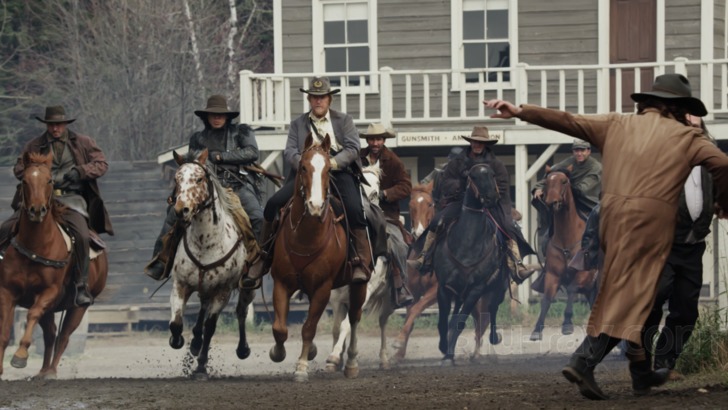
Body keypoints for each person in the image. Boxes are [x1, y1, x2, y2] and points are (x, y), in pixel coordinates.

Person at [484, 73, 728, 400]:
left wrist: (519, 111)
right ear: (678, 107)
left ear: (647, 103)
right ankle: (585, 360)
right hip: (651, 223)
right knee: (633, 297)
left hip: (610, 218)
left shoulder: (616, 123)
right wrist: (724, 203)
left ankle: (640, 374)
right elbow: (723, 163)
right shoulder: (687, 136)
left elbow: (567, 120)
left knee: (630, 294)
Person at [241, 76, 373, 289]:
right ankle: (263, 256)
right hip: (306, 173)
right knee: (273, 203)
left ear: (329, 99)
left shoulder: (344, 120)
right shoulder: (298, 124)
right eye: (314, 97)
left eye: (322, 97)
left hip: (338, 171)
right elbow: (290, 151)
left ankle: (359, 260)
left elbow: (353, 148)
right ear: (309, 100)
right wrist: (305, 164)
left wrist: (332, 163)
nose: (318, 101)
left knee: (355, 209)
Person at [0, 105, 114, 306]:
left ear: (65, 124)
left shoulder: (83, 143)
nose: (55, 129)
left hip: (72, 200)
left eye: (58, 124)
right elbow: (19, 167)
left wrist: (80, 171)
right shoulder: (34, 145)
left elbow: (101, 164)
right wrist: (35, 172)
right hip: (40, 199)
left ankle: (81, 285)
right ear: (47, 125)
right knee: (5, 228)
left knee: (81, 235)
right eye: (51, 125)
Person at [145, 95, 263, 281]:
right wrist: (174, 195)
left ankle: (258, 261)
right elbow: (188, 170)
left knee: (257, 216)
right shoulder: (198, 139)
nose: (217, 118)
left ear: (227, 116)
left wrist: (221, 157)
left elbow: (252, 153)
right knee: (172, 214)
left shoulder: (241, 132)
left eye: (220, 115)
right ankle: (161, 259)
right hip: (204, 191)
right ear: (206, 117)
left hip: (235, 186)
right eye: (213, 115)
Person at [407, 126, 538, 288]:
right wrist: (463, 185)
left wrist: (486, 192)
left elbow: (502, 184)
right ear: (471, 142)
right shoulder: (458, 162)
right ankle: (424, 257)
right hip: (461, 203)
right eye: (475, 141)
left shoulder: (496, 164)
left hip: (490, 204)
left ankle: (516, 265)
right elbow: (447, 182)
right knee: (436, 221)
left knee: (509, 226)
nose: (477, 144)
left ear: (485, 144)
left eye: (481, 142)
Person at [641, 114, 716, 378]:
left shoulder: (711, 156)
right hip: (664, 242)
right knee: (654, 298)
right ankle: (641, 360)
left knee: (686, 309)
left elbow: (719, 187)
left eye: (697, 127)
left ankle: (664, 363)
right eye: (688, 127)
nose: (693, 131)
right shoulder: (662, 157)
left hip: (693, 244)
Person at [360, 123, 414, 307]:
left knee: (399, 245)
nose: (375, 142)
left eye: (379, 139)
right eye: (372, 139)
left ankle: (402, 287)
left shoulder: (394, 161)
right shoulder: (356, 158)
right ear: (367, 140)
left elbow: (406, 186)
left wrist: (385, 194)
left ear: (384, 140)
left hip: (385, 214)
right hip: (357, 210)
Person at [531, 139, 601, 257]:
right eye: (576, 150)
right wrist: (539, 188)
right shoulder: (569, 162)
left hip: (589, 202)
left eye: (582, 150)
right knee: (551, 223)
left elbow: (583, 189)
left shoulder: (596, 167)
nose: (579, 154)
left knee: (602, 224)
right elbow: (552, 175)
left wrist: (563, 185)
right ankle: (547, 249)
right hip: (567, 199)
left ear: (588, 151)